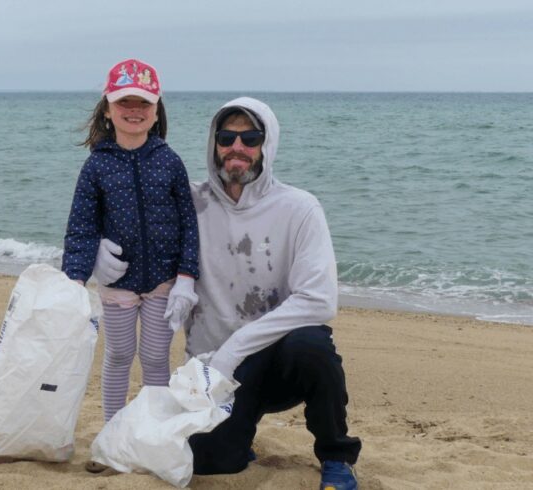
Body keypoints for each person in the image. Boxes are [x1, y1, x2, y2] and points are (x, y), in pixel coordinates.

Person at [91, 97, 361, 489]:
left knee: (313, 346)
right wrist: (100, 247)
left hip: (281, 361)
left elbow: (320, 300)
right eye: (227, 137)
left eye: (250, 138)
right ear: (213, 143)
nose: (238, 147)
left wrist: (236, 349)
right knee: (210, 463)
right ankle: (240, 435)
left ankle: (336, 457)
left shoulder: (300, 208)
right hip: (211, 372)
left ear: (267, 145)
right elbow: (126, 214)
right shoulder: (188, 202)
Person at [61, 59, 199, 436]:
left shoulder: (170, 162)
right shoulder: (96, 166)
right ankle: (113, 431)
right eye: (124, 103)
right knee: (119, 355)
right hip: (117, 285)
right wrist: (76, 276)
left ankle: (152, 432)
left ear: (157, 111)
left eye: (143, 104)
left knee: (155, 358)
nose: (134, 111)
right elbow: (81, 227)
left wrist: (187, 277)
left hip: (163, 285)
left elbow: (190, 224)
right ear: (108, 109)